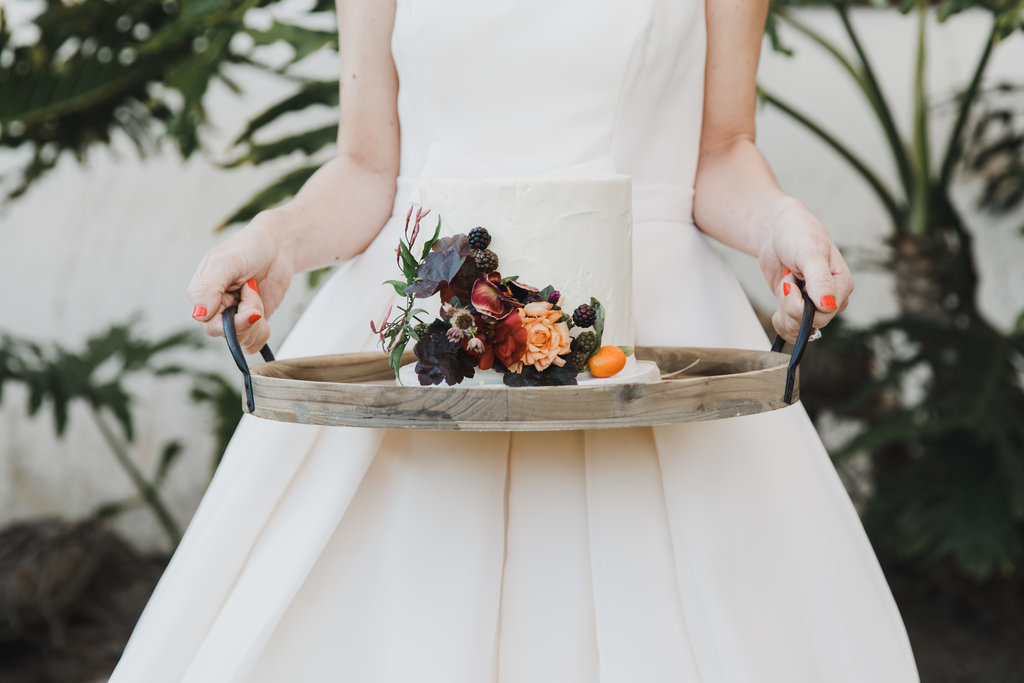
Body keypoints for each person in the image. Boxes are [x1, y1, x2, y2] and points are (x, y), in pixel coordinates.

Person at [110, 0, 922, 680]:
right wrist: (276, 245)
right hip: (432, 347)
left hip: (642, 340)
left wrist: (781, 226)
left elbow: (721, 153)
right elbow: (364, 166)